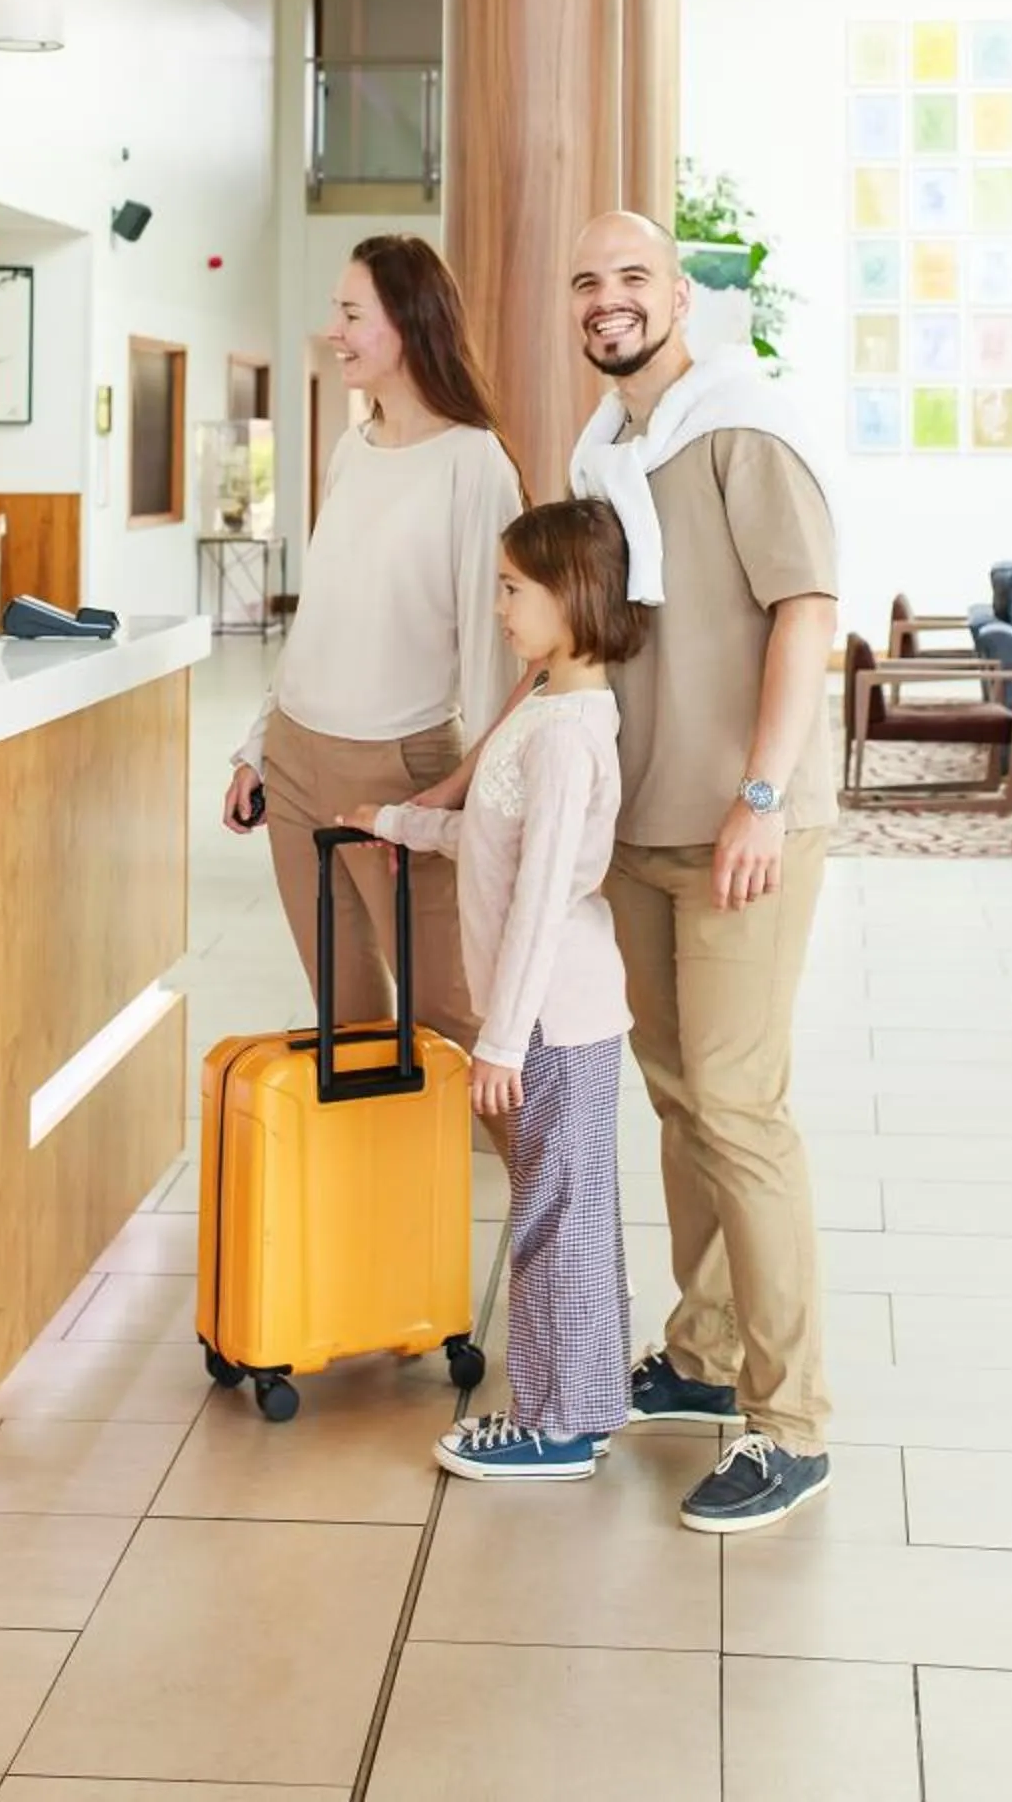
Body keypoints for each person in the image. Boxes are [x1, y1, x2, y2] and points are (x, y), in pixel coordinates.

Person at [568, 209, 839, 1538]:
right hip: (643, 819)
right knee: (679, 1099)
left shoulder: (741, 425)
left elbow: (808, 609)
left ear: (680, 295)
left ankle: (791, 1425)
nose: (608, 299)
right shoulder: (606, 450)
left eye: (632, 277)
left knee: (738, 1108)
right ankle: (707, 1350)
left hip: (743, 822)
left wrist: (764, 797)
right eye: (588, 282)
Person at [344, 496, 641, 1484]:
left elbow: (543, 896)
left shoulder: (563, 732)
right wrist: (397, 822)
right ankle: (587, 1402)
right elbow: (493, 836)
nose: (501, 608)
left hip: (551, 1014)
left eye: (514, 589)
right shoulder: (548, 708)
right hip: (559, 1011)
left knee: (551, 1213)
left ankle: (553, 1424)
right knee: (569, 1205)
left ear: (573, 594)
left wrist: (501, 1040)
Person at [224, 234, 522, 1052]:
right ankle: (379, 1177)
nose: (335, 331)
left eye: (352, 313)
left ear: (411, 324)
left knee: (449, 1018)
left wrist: (472, 807)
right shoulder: (352, 449)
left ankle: (533, 1176)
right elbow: (319, 615)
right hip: (294, 761)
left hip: (401, 776)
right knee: (345, 1015)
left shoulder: (475, 464)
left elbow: (497, 661)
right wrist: (258, 746)